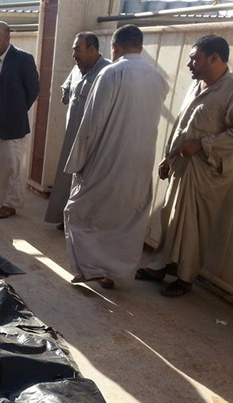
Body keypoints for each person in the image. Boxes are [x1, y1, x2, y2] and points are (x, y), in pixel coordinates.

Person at [64, 24, 168, 289]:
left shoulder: (111, 73)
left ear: (115, 47)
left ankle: (89, 268)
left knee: (78, 212)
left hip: (107, 160)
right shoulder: (157, 78)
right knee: (126, 222)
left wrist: (78, 163)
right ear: (140, 46)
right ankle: (114, 272)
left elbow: (92, 124)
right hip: (140, 163)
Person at [137, 35, 233, 297]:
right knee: (170, 217)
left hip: (207, 173)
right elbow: (181, 124)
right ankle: (158, 267)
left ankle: (185, 277)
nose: (190, 63)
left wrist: (202, 144)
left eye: (195, 58)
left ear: (215, 58)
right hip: (182, 165)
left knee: (194, 227)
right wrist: (168, 157)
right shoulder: (197, 84)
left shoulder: (230, 89)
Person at [44, 32, 110, 230]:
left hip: (94, 141)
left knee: (88, 183)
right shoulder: (76, 69)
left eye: (77, 49)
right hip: (72, 137)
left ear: (92, 49)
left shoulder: (107, 72)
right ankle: (67, 219)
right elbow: (66, 91)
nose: (73, 54)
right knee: (68, 180)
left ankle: (82, 223)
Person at [0, 21, 39, 219]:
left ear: (8, 39)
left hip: (12, 124)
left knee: (12, 164)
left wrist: (16, 111)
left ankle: (10, 203)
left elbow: (33, 90)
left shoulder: (22, 59)